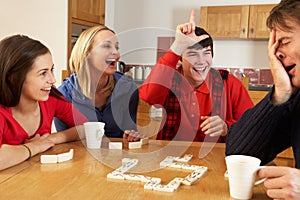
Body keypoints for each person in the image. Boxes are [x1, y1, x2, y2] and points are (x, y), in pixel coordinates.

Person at [139, 10, 253, 142]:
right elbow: (147, 96)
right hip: (172, 154)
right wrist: (178, 46)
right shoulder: (170, 79)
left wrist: (226, 127)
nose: (201, 61)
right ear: (180, 59)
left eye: (206, 53)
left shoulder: (227, 82)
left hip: (216, 155)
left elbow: (251, 124)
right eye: (193, 54)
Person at [226, 0, 300, 199]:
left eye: (284, 42)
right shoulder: (296, 99)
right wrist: (280, 94)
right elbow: (239, 153)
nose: (275, 53)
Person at [0, 34, 88, 170]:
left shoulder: (51, 100)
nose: (52, 80)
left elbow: (86, 128)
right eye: (43, 73)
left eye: (51, 70)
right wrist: (33, 147)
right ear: (14, 77)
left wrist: (50, 139)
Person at [54, 25, 140, 140]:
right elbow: (64, 143)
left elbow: (130, 132)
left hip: (117, 156)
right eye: (106, 46)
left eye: (117, 47)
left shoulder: (127, 88)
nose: (116, 53)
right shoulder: (64, 95)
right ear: (86, 53)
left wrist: (132, 136)